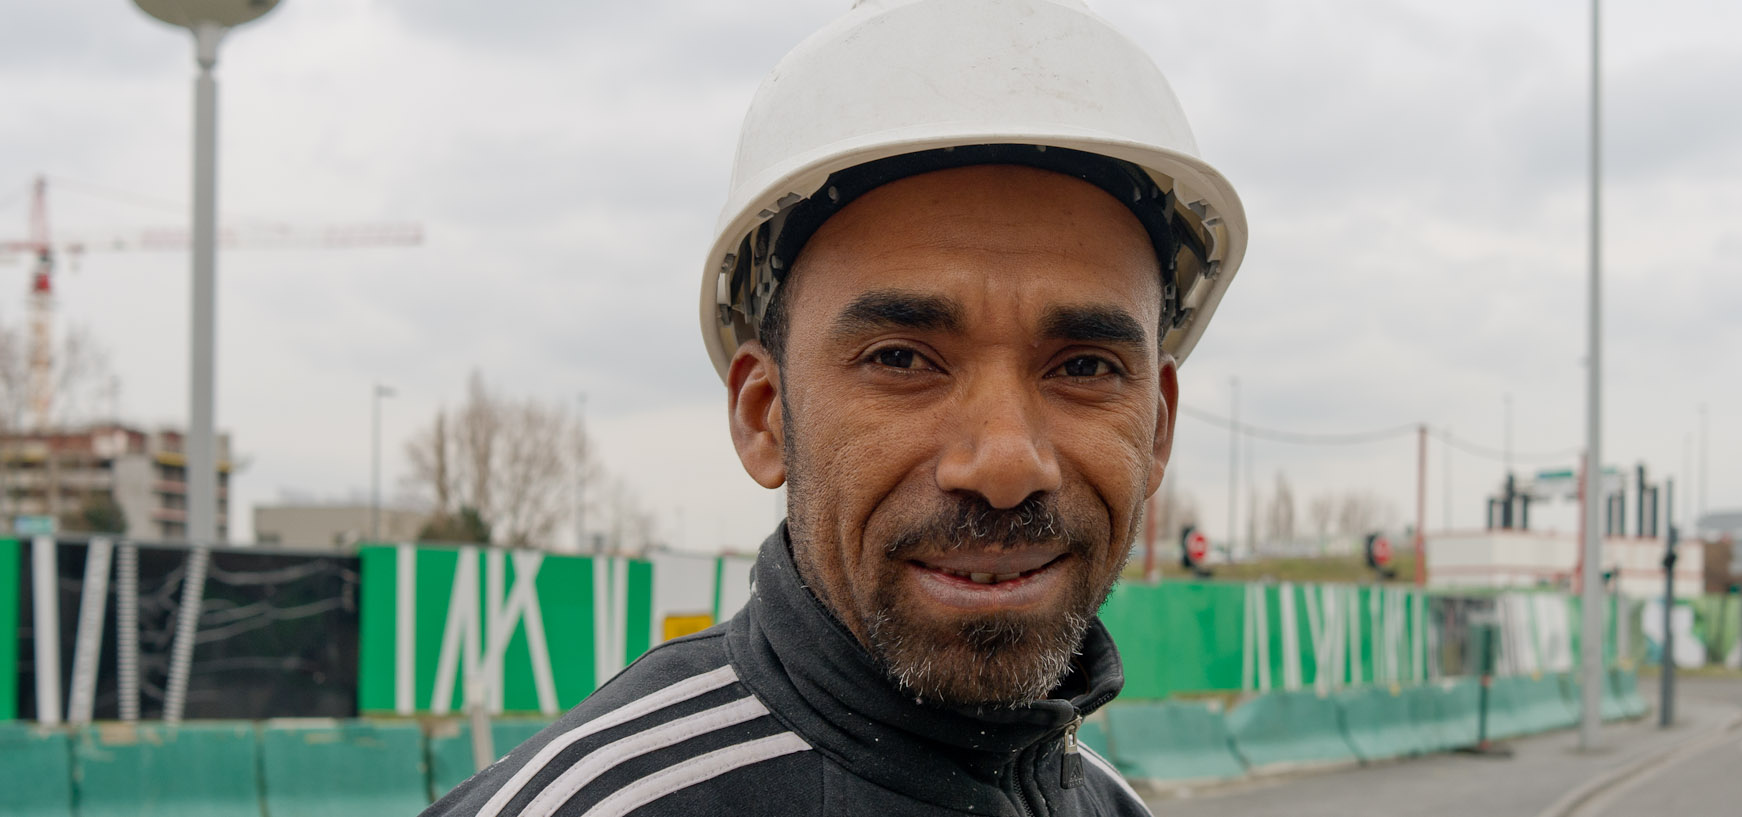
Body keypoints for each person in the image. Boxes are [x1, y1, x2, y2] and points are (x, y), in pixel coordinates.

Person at [422, 0, 1245, 814]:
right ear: (765, 413)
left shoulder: (1106, 804)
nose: (1003, 463)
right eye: (901, 359)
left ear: (1158, 426)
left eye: (1085, 366)